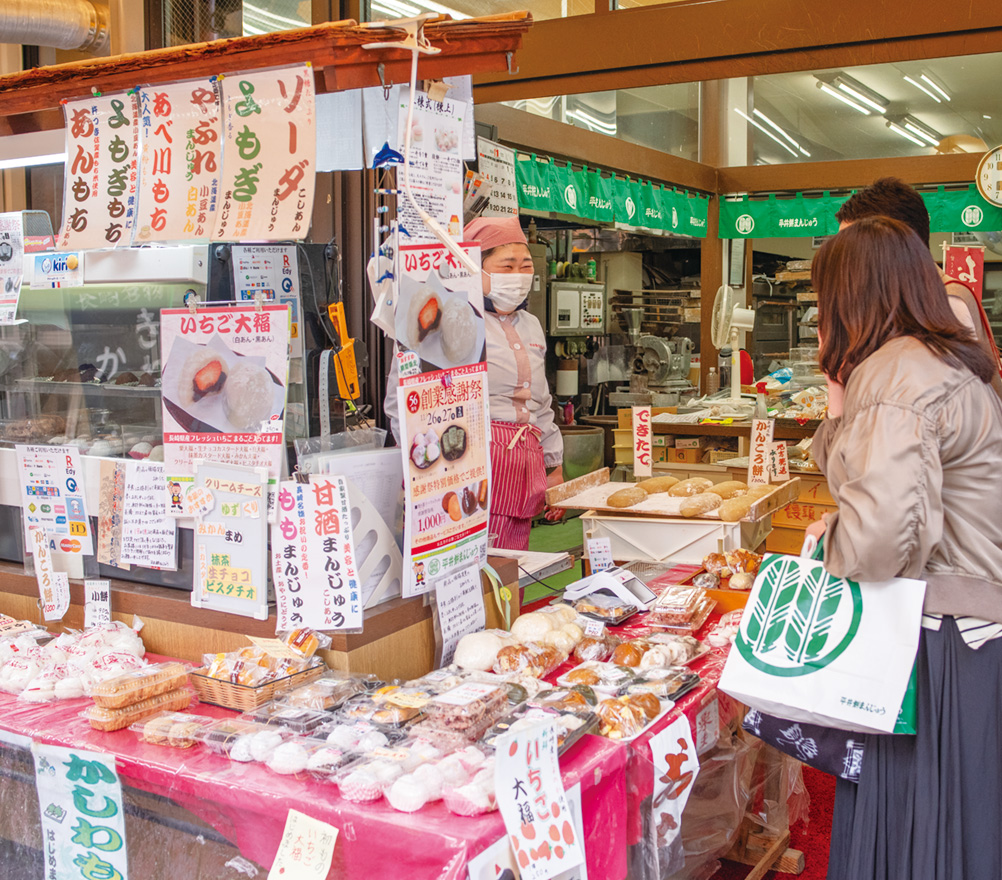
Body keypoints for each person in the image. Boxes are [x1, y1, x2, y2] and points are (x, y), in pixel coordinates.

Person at [806, 217, 1002, 880]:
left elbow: (878, 543)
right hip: (973, 624)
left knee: (923, 830)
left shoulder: (895, 377)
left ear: (852, 297)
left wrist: (829, 539)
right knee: (960, 829)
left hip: (942, 636)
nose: (818, 318)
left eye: (822, 301)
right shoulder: (935, 359)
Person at [385, 217, 563, 551]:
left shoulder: (532, 325)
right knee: (474, 568)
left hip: (526, 463)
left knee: (511, 569)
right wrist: (417, 465)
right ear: (474, 268)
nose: (519, 276)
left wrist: (553, 465)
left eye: (526, 266)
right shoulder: (449, 318)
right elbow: (402, 399)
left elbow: (542, 404)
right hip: (467, 460)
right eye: (506, 266)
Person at [835, 176, 1002, 400]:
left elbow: (943, 413)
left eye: (855, 248)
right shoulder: (907, 298)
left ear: (896, 243)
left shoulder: (947, 301)